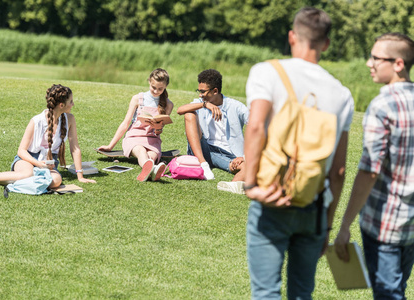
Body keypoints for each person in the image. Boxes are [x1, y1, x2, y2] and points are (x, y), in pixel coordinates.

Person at [244, 7, 354, 299]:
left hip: (272, 197)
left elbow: (255, 127)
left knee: (266, 292)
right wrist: (327, 226)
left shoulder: (267, 71)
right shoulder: (341, 93)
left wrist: (251, 184)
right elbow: (339, 171)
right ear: (326, 44)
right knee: (302, 293)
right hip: (314, 207)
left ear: (292, 36)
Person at [334, 33, 414, 300]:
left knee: (388, 294)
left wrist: (345, 226)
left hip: (385, 224)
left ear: (398, 64)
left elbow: (369, 171)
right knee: (397, 289)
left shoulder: (382, 106)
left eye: (376, 58)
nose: (369, 63)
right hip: (411, 225)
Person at [0, 84, 96, 187]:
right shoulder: (37, 121)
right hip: (27, 159)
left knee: (56, 180)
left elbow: (75, 148)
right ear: (61, 105)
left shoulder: (69, 119)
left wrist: (80, 176)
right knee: (27, 173)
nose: (73, 104)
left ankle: (15, 180)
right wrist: (38, 164)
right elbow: (21, 151)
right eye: (71, 101)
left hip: (49, 163)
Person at [176, 69, 249, 193]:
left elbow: (258, 128)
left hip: (227, 153)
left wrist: (244, 156)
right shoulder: (201, 102)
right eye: (199, 91)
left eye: (203, 91)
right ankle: (203, 164)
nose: (200, 95)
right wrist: (204, 105)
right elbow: (180, 110)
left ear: (215, 91)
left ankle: (234, 185)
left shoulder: (236, 106)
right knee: (189, 114)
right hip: (203, 149)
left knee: (248, 166)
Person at [98, 68, 173, 182]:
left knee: (152, 156)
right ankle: (153, 169)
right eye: (153, 87)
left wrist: (158, 128)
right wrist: (110, 146)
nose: (156, 91)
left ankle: (150, 170)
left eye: (160, 89)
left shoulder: (168, 104)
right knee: (141, 151)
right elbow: (126, 123)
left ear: (166, 87)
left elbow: (159, 131)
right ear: (149, 81)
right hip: (134, 137)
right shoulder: (138, 98)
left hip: (153, 138)